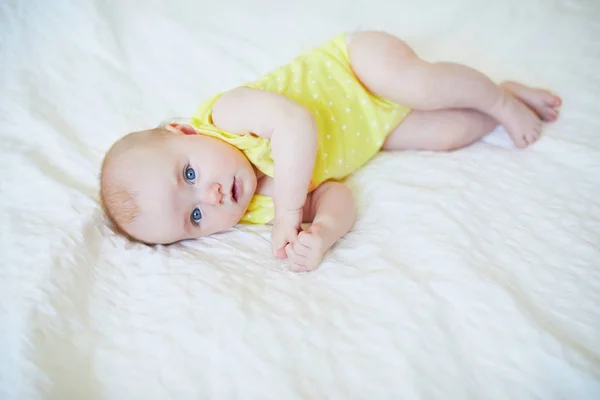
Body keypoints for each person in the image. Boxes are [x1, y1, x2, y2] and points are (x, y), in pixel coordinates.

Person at [100, 30, 562, 272]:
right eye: (194, 218)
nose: (212, 196)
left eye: (189, 176)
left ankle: (495, 100)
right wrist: (320, 231)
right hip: (375, 128)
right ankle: (507, 97)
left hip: (357, 67)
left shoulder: (226, 118)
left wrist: (288, 211)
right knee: (448, 134)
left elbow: (295, 123)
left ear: (183, 131)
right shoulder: (256, 208)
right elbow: (335, 193)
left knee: (420, 84)